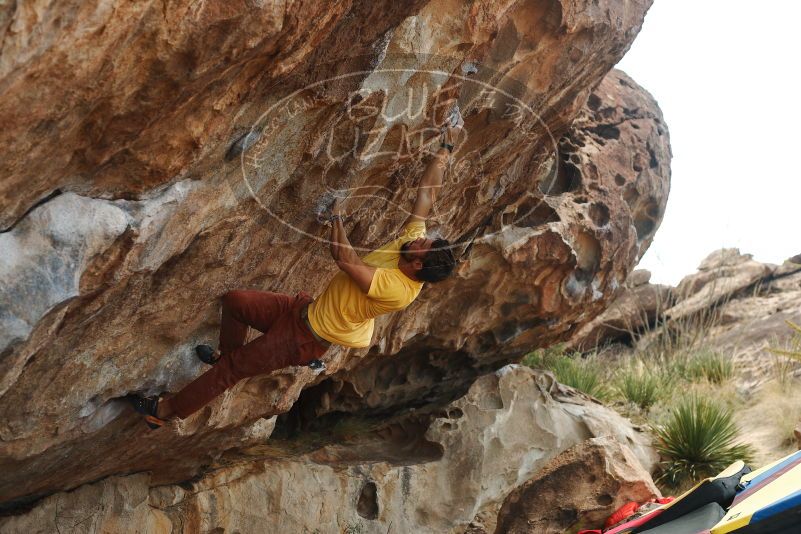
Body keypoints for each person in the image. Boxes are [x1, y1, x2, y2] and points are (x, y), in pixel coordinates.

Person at [127, 115, 463, 429]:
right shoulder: (410, 247)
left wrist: (336, 219)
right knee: (235, 302)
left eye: (425, 245)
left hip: (302, 340)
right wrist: (444, 151)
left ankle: (166, 412)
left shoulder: (399, 289)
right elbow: (427, 195)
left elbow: (346, 261)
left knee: (232, 372)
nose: (422, 238)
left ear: (418, 264)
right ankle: (229, 355)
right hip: (299, 312)